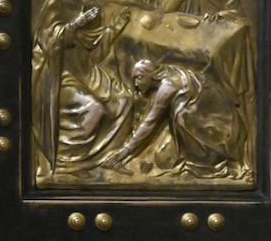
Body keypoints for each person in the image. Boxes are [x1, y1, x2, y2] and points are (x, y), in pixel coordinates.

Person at [31, 0, 133, 175]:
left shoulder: (93, 7)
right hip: (60, 72)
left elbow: (96, 49)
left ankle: (109, 159)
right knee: (93, 108)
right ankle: (69, 161)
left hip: (85, 70)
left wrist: (116, 27)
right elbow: (46, 40)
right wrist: (77, 23)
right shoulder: (56, 2)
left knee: (125, 99)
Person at [98, 59, 249, 179]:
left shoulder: (168, 86)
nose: (136, 84)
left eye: (139, 78)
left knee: (181, 115)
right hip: (221, 116)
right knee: (163, 156)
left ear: (151, 75)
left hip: (217, 125)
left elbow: (151, 121)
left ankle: (207, 158)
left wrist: (126, 150)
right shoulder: (169, 72)